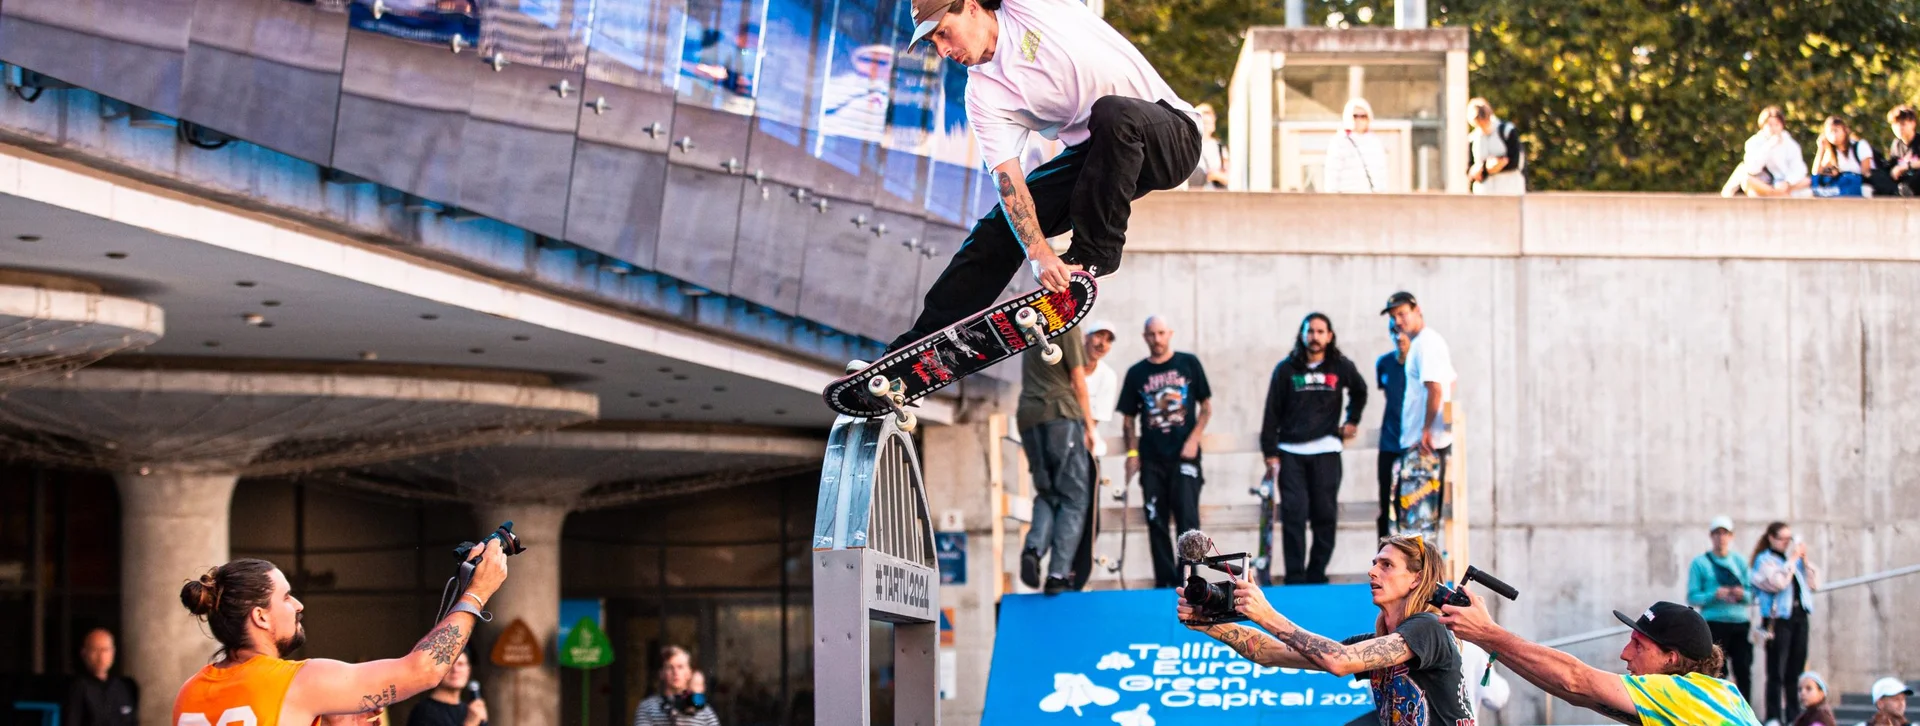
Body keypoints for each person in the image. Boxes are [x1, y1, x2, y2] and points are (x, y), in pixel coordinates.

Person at [890, 0, 1202, 350]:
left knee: (1112, 113)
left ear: (974, 7)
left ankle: (1096, 253)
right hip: (1100, 160)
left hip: (1171, 135)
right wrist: (1039, 253)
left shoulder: (1028, 6)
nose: (944, 51)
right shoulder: (981, 96)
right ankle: (922, 346)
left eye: (944, 33)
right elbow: (1009, 183)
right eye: (935, 43)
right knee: (998, 228)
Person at [171, 543, 509, 726]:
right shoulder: (296, 681)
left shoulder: (189, 693)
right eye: (286, 597)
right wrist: (476, 593)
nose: (298, 604)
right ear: (259, 616)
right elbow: (425, 669)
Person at [1180, 535, 1474, 726]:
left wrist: (1267, 615)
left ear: (1416, 579)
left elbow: (1339, 661)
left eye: (1386, 565)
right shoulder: (1376, 644)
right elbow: (1268, 653)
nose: (1372, 571)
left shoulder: (1429, 627)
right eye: (1374, 563)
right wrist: (1208, 625)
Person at [1440, 595, 1761, 726]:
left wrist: (1488, 633)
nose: (1624, 653)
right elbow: (1577, 693)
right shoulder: (1718, 695)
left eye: (1638, 645)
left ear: (1671, 659)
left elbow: (1576, 679)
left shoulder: (1682, 694)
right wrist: (1488, 639)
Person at [1258, 313, 1368, 584]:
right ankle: (1295, 577)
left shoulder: (1340, 366)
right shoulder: (1286, 369)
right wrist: (1270, 451)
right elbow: (1272, 410)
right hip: (1291, 453)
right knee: (1294, 516)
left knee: (1325, 515)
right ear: (1302, 335)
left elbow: (1361, 390)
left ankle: (1316, 574)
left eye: (1320, 331)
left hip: (1327, 451)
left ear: (1329, 336)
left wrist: (1352, 420)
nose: (1315, 336)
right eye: (1310, 331)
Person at [1117, 315, 1212, 588]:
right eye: (1151, 334)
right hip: (1152, 459)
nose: (1157, 339)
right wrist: (1132, 454)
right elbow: (1127, 420)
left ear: (1170, 333)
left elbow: (1206, 407)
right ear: (1144, 337)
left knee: (1188, 521)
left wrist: (1194, 438)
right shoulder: (1137, 373)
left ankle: (1191, 582)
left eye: (1161, 333)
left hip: (1185, 457)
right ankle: (1164, 583)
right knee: (1155, 520)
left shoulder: (1188, 363)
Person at [1016, 324, 1094, 595]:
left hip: (1027, 416)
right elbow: (1078, 380)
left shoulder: (1032, 320)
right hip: (1060, 414)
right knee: (1074, 498)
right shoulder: (1067, 324)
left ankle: (1034, 549)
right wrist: (1090, 428)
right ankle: (1058, 574)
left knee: (1048, 493)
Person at [1752, 521, 1820, 726]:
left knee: (1795, 670)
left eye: (1789, 539)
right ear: (1771, 538)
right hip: (1778, 619)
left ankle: (1793, 715)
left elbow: (1814, 584)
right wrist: (1791, 559)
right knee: (1776, 670)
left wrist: (1804, 560)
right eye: (1782, 538)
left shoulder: (1796, 563)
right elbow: (1778, 583)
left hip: (1799, 616)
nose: (1786, 543)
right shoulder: (1764, 561)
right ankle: (1773, 715)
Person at [1381, 292, 1456, 467]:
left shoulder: (1425, 343)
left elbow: (1436, 389)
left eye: (1402, 314)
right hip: (1427, 442)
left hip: (1424, 446)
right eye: (1393, 317)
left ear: (1417, 311)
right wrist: (1443, 424)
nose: (1397, 321)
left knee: (1419, 495)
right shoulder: (1425, 341)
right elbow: (1450, 383)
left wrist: (1428, 429)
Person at [1687, 516, 1754, 702]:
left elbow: (1752, 593)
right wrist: (1714, 594)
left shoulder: (1740, 562)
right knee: (1716, 671)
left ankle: (1744, 711)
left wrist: (1742, 594)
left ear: (1731, 536)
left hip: (1740, 623)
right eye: (1717, 533)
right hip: (1714, 623)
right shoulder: (1700, 563)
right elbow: (1692, 596)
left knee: (1744, 670)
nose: (1721, 537)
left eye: (1725, 533)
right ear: (1711, 536)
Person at [1374, 319, 1411, 540]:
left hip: (1414, 444)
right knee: (1386, 504)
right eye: (1394, 331)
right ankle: (1384, 557)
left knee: (1412, 506)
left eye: (1403, 331)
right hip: (1389, 442)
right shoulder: (1384, 363)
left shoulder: (1421, 360)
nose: (1399, 336)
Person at [632, 646, 719, 726]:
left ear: (689, 672)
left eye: (680, 667)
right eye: (670, 667)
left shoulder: (705, 711)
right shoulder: (647, 708)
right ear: (661, 673)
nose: (675, 672)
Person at [67, 628, 138, 726]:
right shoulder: (78, 688)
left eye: (105, 650)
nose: (101, 656)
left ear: (113, 652)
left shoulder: (122, 687)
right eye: (95, 650)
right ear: (84, 653)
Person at [1739, 106, 1813, 198]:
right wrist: (1768, 146)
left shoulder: (1790, 143)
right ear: (1762, 125)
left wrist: (1787, 182)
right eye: (1770, 124)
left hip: (1785, 184)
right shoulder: (1753, 142)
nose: (1773, 128)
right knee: (1746, 180)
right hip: (1764, 184)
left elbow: (1799, 169)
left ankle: (1780, 194)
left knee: (1807, 181)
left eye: (1776, 124)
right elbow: (1752, 169)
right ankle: (1776, 194)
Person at [1323, 98, 1390, 193]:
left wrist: (1382, 194)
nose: (1359, 119)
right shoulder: (1339, 141)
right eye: (1355, 116)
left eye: (1363, 116)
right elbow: (1332, 173)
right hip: (1346, 197)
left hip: (1370, 199)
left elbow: (1381, 173)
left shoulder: (1375, 142)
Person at [403, 652, 485, 726]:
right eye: (449, 664)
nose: (455, 670)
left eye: (460, 664)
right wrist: (470, 724)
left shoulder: (470, 711)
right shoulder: (423, 712)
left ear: (468, 670)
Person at [1465, 98, 1525, 195]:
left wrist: (1498, 165)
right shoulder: (1473, 138)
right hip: (1484, 192)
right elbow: (1469, 169)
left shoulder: (1506, 131)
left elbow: (1515, 160)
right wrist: (1483, 169)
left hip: (1509, 191)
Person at [1809, 116, 1874, 197]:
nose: (1833, 135)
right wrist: (1821, 149)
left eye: (1836, 130)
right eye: (1830, 132)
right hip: (1843, 187)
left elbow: (1866, 172)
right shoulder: (1832, 152)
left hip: (1862, 186)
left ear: (1845, 130)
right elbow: (1816, 173)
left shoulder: (1860, 145)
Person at [1082, 321, 1120, 456]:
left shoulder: (1108, 376)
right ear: (1086, 337)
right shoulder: (1066, 363)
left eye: (1109, 340)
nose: (1102, 344)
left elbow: (1094, 419)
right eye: (1099, 336)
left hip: (1083, 440)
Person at [1188, 104, 1230, 190]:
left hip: (1216, 195)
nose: (1207, 126)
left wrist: (1214, 176)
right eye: (1204, 123)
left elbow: (1228, 177)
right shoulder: (1189, 146)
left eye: (1209, 123)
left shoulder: (1220, 147)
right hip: (1194, 194)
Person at [1883, 105, 1919, 197]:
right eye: (1895, 124)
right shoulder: (1896, 144)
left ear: (1913, 123)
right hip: (1902, 183)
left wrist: (1906, 166)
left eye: (1903, 124)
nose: (1899, 128)